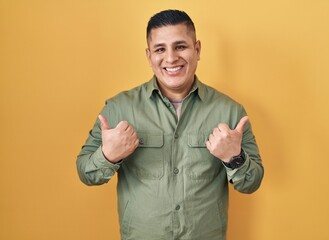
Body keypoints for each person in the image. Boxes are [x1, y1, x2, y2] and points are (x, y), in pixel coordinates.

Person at [77, 9, 264, 240]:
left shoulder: (230, 111)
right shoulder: (118, 108)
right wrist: (108, 156)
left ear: (197, 50)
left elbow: (252, 182)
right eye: (160, 49)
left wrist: (234, 157)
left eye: (180, 46)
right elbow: (85, 172)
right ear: (149, 56)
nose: (171, 58)